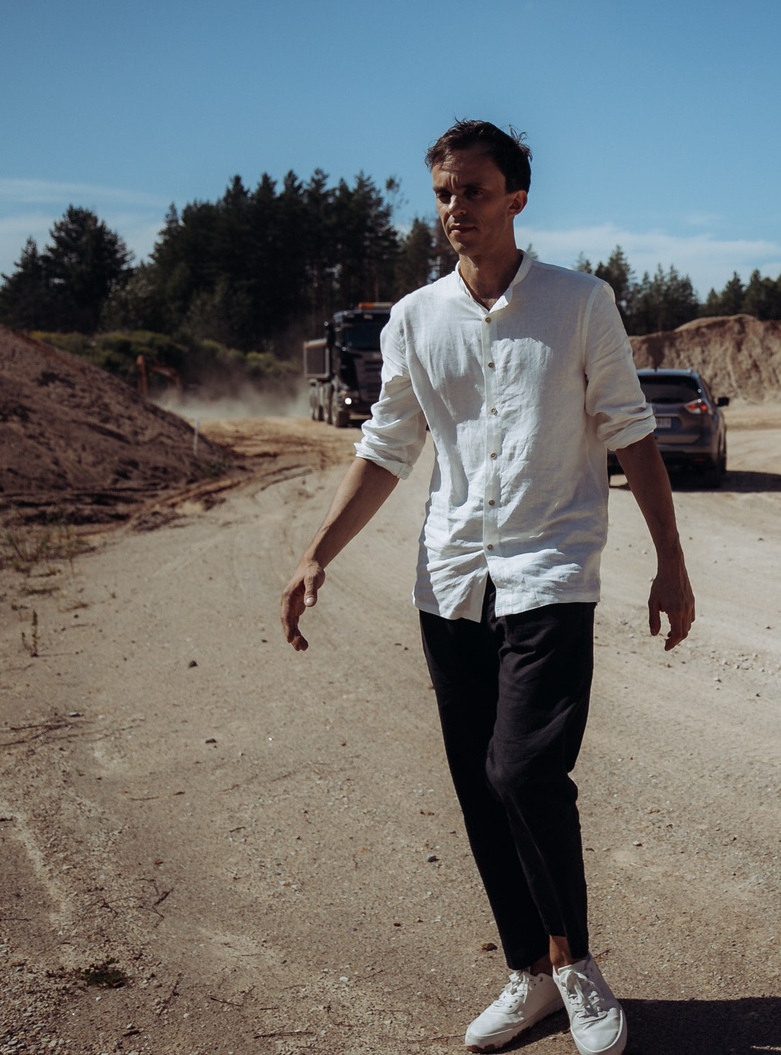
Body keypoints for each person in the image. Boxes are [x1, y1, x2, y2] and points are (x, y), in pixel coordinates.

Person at [278, 119, 693, 1054]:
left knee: (523, 770)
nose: (455, 208)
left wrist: (671, 562)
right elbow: (387, 448)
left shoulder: (581, 302)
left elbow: (631, 435)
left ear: (516, 198)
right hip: (452, 577)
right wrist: (316, 553)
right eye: (443, 194)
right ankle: (528, 973)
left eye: (473, 190)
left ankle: (576, 967)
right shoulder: (414, 319)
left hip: (551, 570)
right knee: (478, 785)